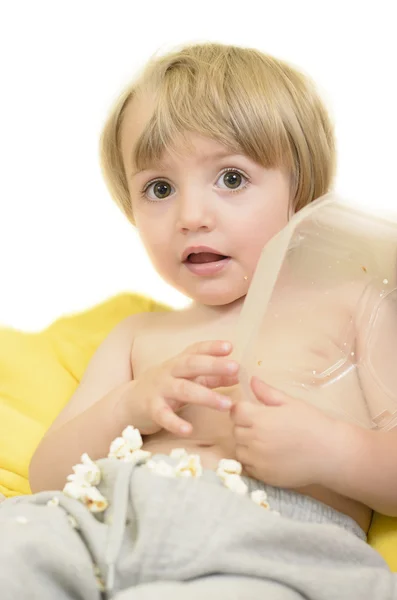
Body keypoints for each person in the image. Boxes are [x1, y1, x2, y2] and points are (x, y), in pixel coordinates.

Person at [1, 42, 396, 599]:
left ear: (301, 192)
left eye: (231, 179)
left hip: (269, 541)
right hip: (103, 522)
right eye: (158, 189)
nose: (191, 217)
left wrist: (336, 451)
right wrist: (128, 406)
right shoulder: (139, 336)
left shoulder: (354, 303)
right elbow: (49, 475)